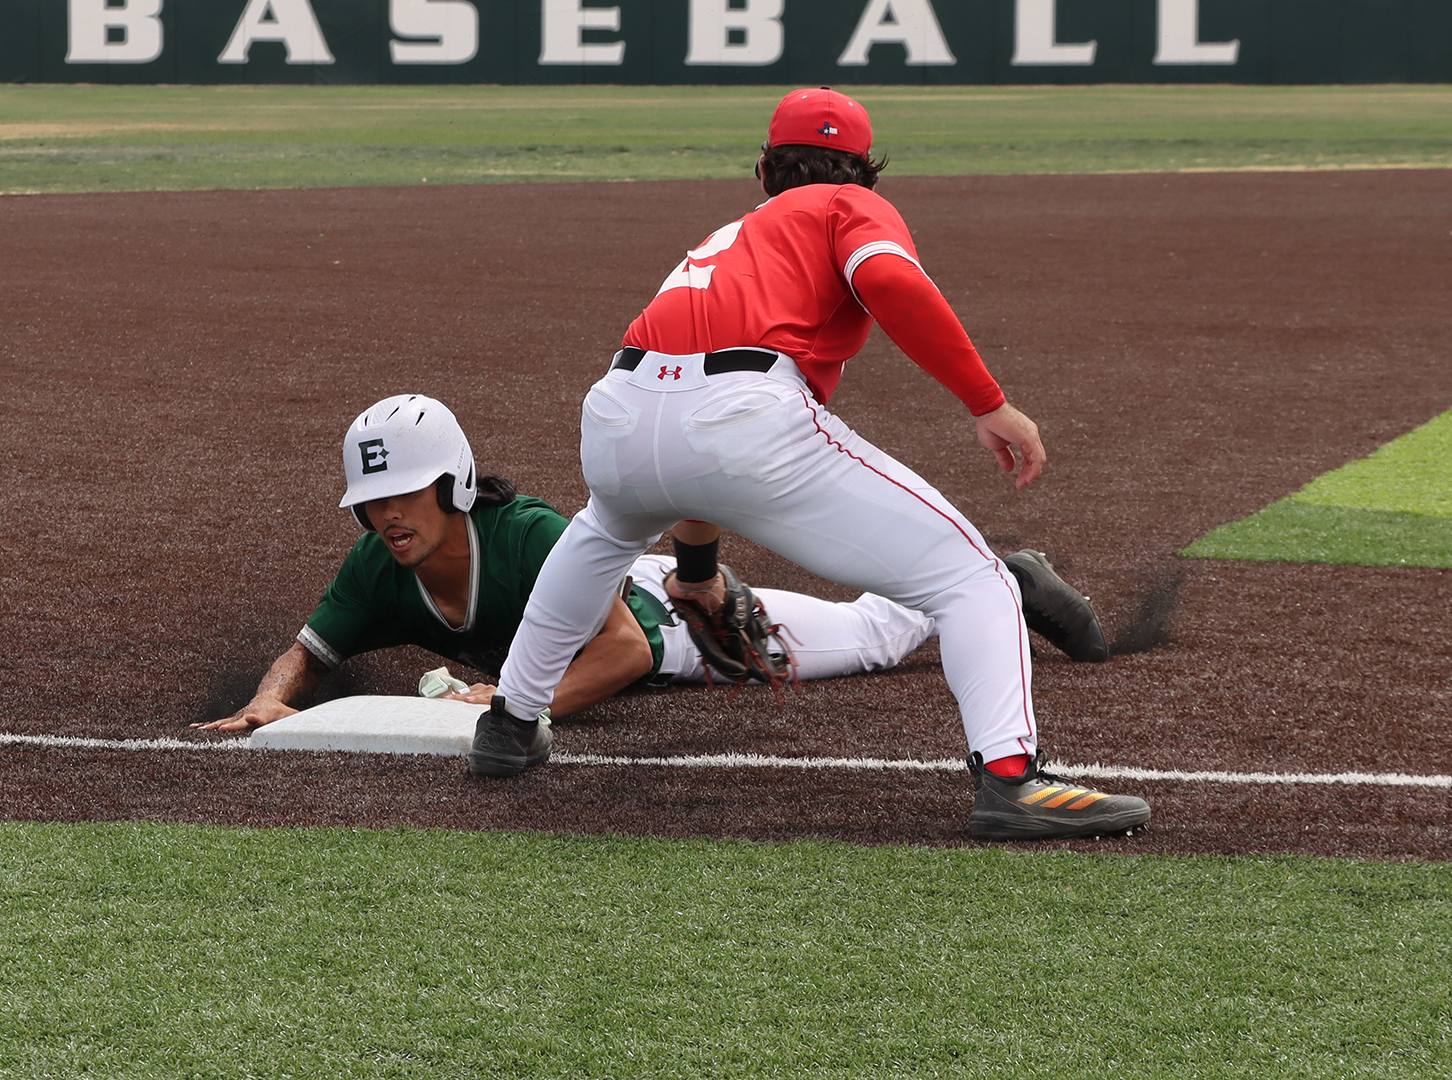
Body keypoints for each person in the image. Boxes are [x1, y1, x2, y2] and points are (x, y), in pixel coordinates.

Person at [474, 88, 1151, 842]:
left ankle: (510, 724)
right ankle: (1011, 780)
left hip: (619, 408)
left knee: (603, 532)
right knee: (974, 579)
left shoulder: (726, 239)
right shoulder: (845, 205)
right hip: (744, 410)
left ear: (764, 169)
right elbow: (890, 282)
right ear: (865, 172)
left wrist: (695, 570)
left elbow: (682, 439)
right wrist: (987, 402)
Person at [196, 394, 1103, 738]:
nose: (387, 514)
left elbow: (626, 650)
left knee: (872, 637)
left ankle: (1002, 579)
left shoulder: (526, 534)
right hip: (634, 611)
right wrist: (272, 697)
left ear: (453, 484)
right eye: (373, 500)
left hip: (677, 630)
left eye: (406, 493)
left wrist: (516, 704)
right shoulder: (375, 565)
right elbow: (311, 649)